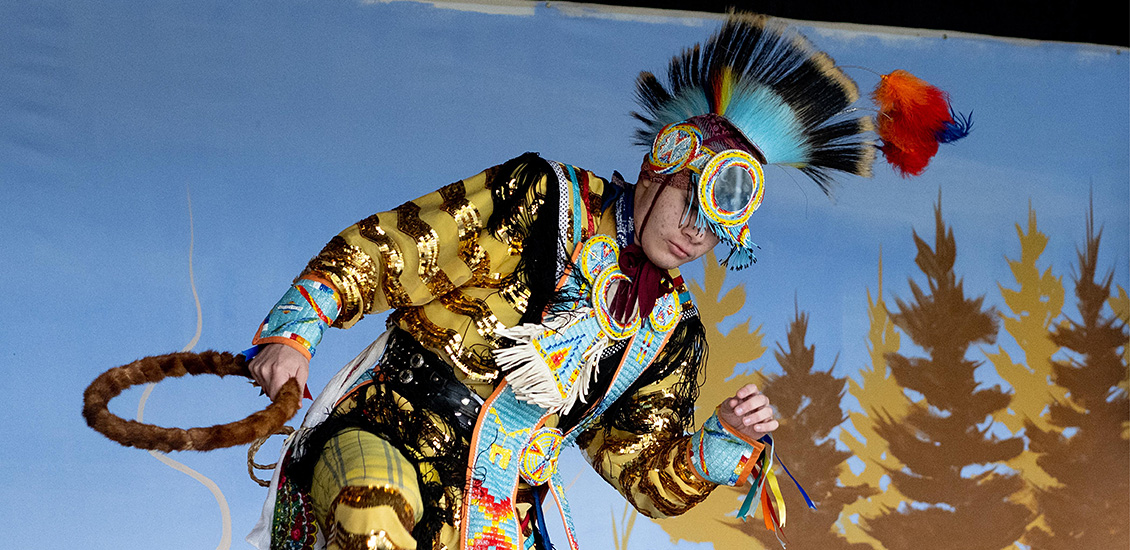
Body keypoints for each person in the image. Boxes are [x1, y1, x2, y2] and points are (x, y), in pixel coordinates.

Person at [246, 13, 874, 550]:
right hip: (386, 433)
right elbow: (396, 251)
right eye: (689, 204)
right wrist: (295, 331)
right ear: (659, 168)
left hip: (502, 507)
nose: (692, 235)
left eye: (715, 231)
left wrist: (717, 443)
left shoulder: (669, 330)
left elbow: (639, 467)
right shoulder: (544, 202)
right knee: (374, 511)